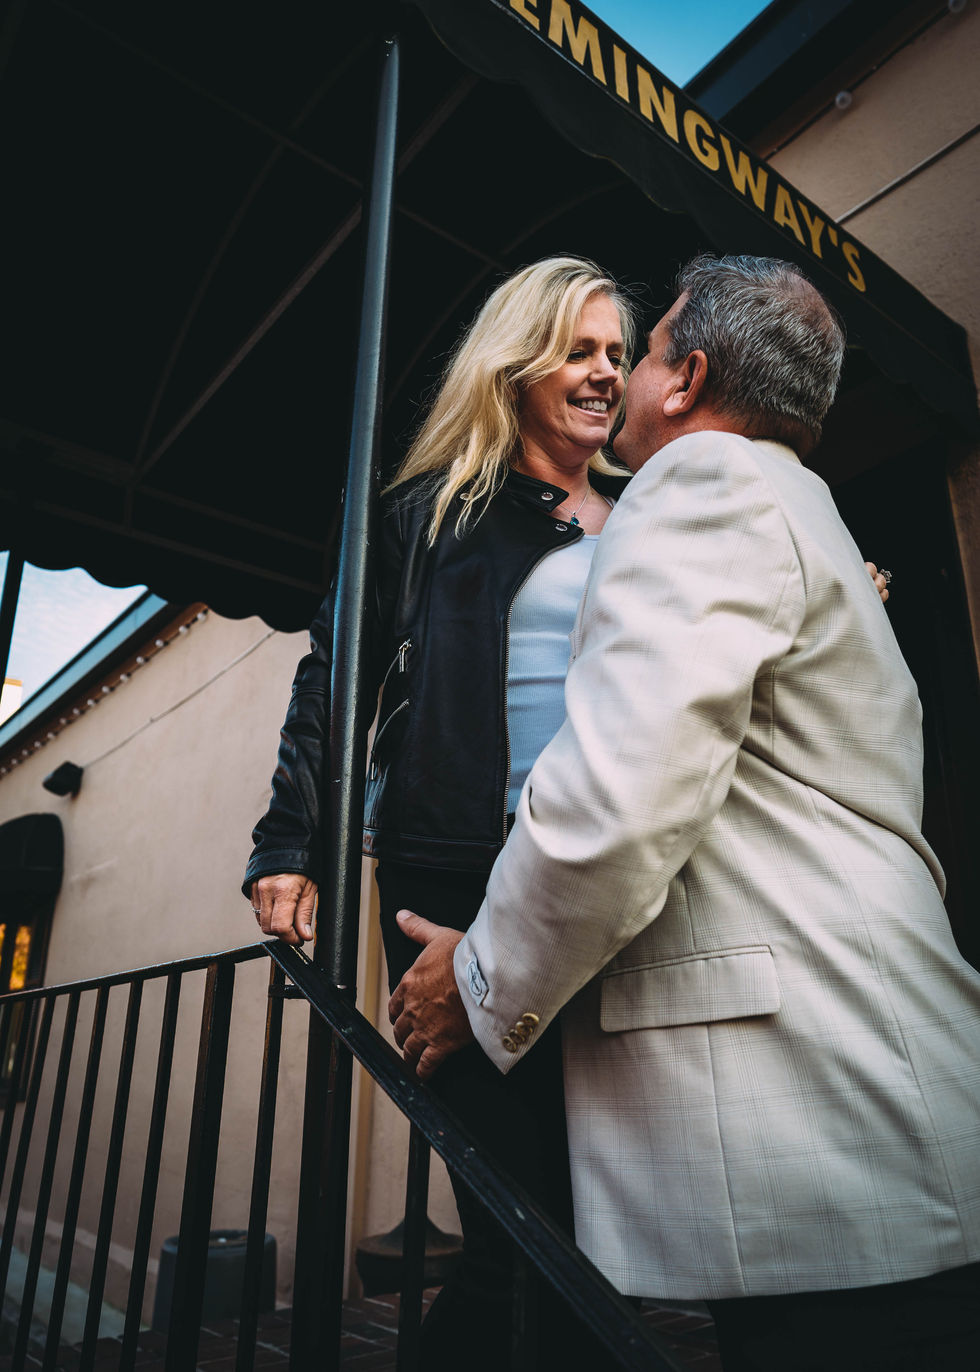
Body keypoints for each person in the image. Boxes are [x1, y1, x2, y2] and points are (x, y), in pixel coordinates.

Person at [388, 255, 980, 1371]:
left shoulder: (696, 482)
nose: (619, 374)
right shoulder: (801, 501)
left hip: (821, 1091)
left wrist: (478, 978)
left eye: (641, 349)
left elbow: (618, 794)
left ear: (687, 376)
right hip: (886, 1086)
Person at [245, 256, 636, 1371]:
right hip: (454, 876)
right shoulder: (429, 512)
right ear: (516, 365)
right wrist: (290, 841)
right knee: (522, 1235)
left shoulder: (648, 514)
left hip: (595, 883)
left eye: (617, 352)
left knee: (588, 1234)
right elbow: (336, 676)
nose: (605, 372)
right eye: (577, 350)